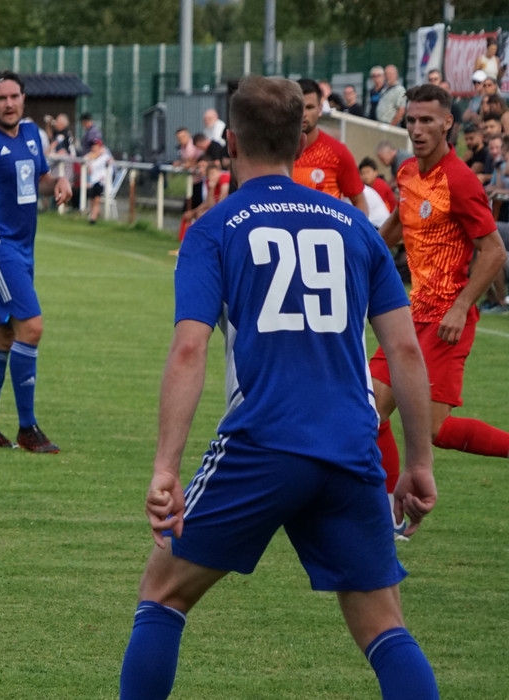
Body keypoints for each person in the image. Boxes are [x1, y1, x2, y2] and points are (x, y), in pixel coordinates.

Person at [118, 75, 438, 700]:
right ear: (301, 139)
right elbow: (402, 349)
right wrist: (419, 462)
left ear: (230, 142)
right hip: (351, 447)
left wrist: (165, 466)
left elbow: (190, 348)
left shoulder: (214, 229)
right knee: (384, 625)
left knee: (162, 594)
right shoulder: (354, 226)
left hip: (262, 442)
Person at [372, 83, 509, 540]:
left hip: (448, 324)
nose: (417, 129)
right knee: (367, 412)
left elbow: (493, 251)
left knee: (430, 432)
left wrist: (462, 305)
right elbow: (397, 222)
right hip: (409, 318)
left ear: (448, 122)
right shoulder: (408, 171)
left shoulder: (461, 179)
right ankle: (392, 513)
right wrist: (359, 250)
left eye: (427, 120)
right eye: (411, 120)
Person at [0, 70, 73, 453]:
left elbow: (35, 177)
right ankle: (28, 429)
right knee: (32, 327)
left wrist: (56, 181)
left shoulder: (30, 135)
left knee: (3, 333)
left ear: (24, 99)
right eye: (1, 98)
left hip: (24, 248)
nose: (9, 103)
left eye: (14, 96)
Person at [293, 78, 368, 215]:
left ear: (320, 109)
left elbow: (360, 203)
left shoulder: (337, 153)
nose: (303, 114)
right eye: (298, 107)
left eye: (309, 107)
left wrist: (352, 235)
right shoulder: (277, 154)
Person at [84, 138, 112, 224]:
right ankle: (94, 214)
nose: (94, 148)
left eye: (96, 146)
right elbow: (87, 165)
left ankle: (93, 217)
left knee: (96, 199)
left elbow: (110, 161)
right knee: (93, 199)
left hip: (100, 181)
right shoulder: (91, 157)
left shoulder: (104, 156)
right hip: (93, 181)